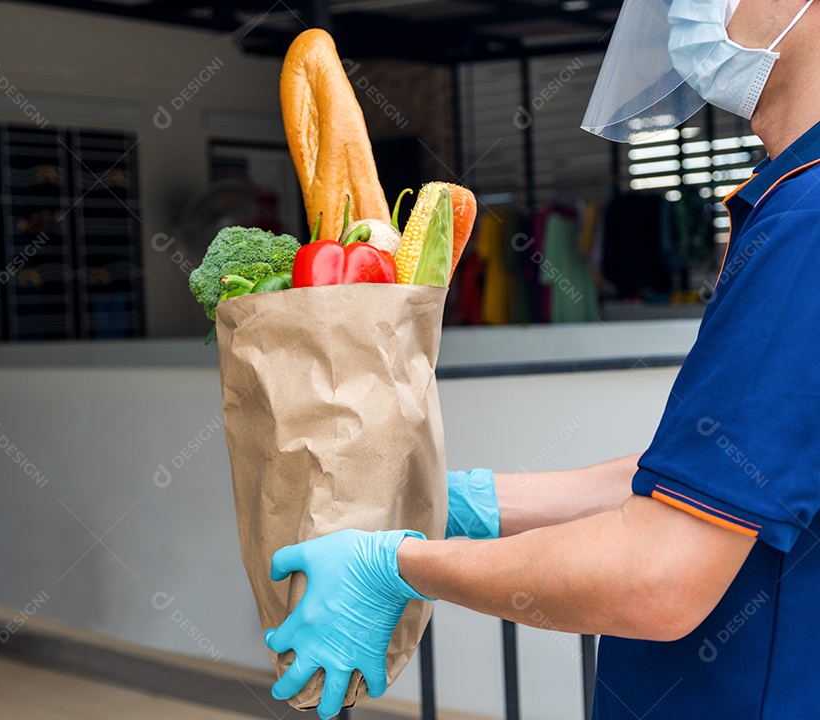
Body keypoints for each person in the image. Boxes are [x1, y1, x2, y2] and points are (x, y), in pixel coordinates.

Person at [264, 1, 820, 718]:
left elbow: (659, 574)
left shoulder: (807, 223)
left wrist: (399, 567)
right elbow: (719, 483)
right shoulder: (790, 200)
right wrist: (473, 504)